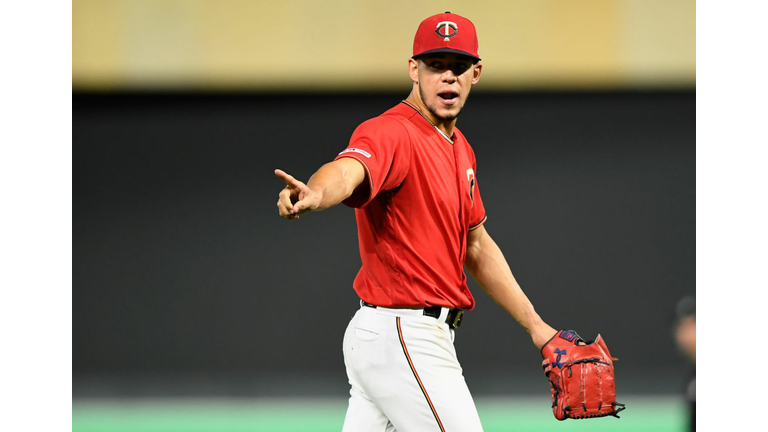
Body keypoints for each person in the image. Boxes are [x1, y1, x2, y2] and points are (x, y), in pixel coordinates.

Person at [276, 12, 557, 431]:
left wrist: (539, 328)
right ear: (414, 69)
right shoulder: (392, 132)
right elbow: (348, 169)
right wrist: (316, 193)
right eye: (436, 65)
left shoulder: (460, 149)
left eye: (458, 67)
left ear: (475, 73)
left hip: (393, 337)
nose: (448, 77)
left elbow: (476, 245)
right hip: (405, 334)